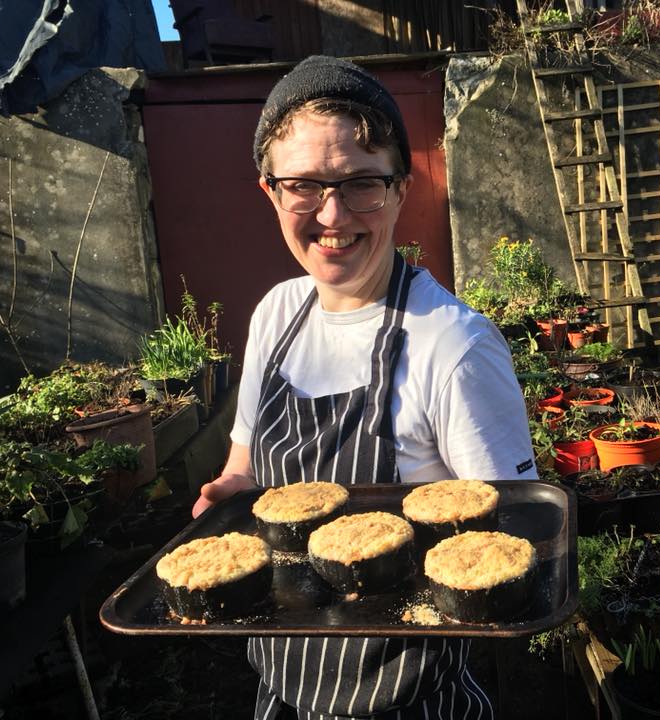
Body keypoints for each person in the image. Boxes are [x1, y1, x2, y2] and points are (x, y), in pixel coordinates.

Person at [191, 55, 537, 720]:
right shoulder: (275, 315)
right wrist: (232, 491)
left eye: (360, 185)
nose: (331, 214)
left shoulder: (453, 345)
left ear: (402, 189)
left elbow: (515, 535)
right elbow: (246, 464)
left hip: (410, 695)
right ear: (271, 192)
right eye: (304, 186)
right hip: (282, 673)